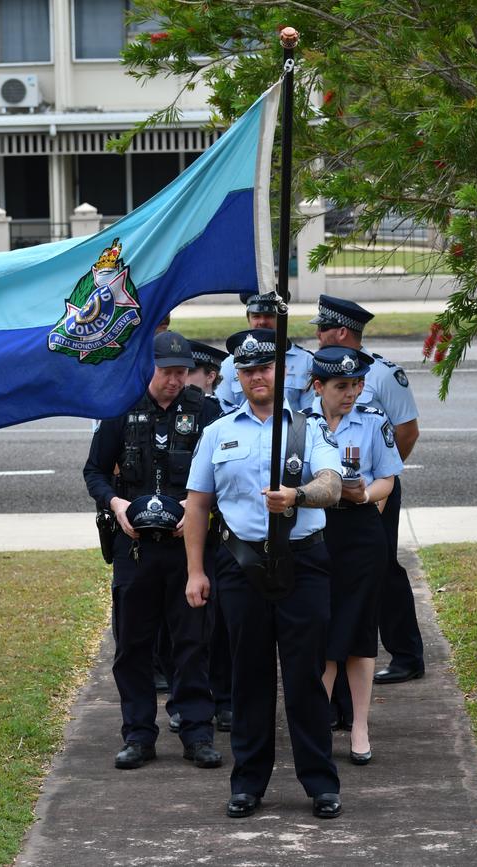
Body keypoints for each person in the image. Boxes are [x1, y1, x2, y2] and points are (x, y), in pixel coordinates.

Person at [184, 328, 343, 820]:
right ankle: (248, 783)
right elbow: (198, 504)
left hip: (303, 562)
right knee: (248, 675)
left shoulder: (309, 429)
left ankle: (320, 783)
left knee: (305, 677)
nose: (257, 376)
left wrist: (297, 496)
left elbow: (332, 486)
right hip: (241, 565)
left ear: (282, 372)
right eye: (248, 369)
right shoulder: (217, 432)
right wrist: (195, 571)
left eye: (265, 367)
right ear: (237, 375)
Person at [83, 330, 223, 770]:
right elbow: (94, 472)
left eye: (182, 373)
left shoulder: (207, 411)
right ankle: (138, 734)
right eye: (167, 372)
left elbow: (227, 472)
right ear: (150, 368)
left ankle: (198, 732)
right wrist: (116, 503)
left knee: (192, 643)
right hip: (136, 549)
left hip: (189, 549)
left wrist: (198, 505)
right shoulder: (119, 408)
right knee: (133, 645)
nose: (175, 381)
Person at [310, 295, 425, 684]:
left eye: (322, 329)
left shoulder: (383, 375)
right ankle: (335, 657)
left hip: (374, 493)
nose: (317, 335)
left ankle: (406, 653)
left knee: (383, 570)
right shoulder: (318, 370)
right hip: (326, 496)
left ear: (341, 331)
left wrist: (378, 485)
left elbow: (406, 431)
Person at [307, 346, 403, 763]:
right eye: (341, 386)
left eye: (357, 384)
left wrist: (365, 493)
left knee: (360, 631)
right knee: (319, 629)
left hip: (361, 531)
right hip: (314, 530)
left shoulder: (373, 421)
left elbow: (388, 478)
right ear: (318, 386)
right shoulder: (297, 422)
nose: (351, 393)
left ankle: (359, 726)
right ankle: (315, 724)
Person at [166, 339, 233, 736]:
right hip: (166, 534)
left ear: (210, 376)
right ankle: (184, 699)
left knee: (218, 623)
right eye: (178, 372)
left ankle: (224, 699)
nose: (185, 380)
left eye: (190, 372)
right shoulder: (153, 412)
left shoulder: (214, 415)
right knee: (179, 629)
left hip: (210, 534)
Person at [215, 291, 313, 411]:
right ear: (248, 319)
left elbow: (309, 413)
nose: (262, 321)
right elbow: (224, 411)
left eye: (269, 315)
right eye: (256, 316)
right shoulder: (230, 364)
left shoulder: (305, 361)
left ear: (281, 318)